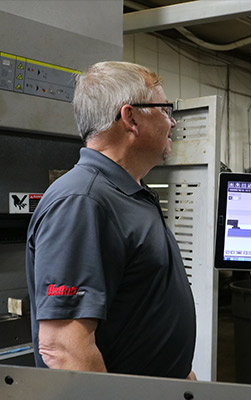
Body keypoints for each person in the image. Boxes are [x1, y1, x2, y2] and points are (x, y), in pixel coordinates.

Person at [25, 61, 196, 379]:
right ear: (131, 117)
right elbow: (63, 348)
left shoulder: (129, 193)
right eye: (165, 110)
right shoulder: (83, 201)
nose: (172, 122)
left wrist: (183, 377)